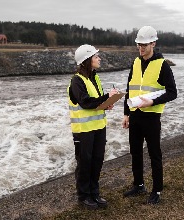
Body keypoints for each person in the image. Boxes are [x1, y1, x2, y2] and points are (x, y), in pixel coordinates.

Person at [121, 26, 177, 204]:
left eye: (144, 44)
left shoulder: (162, 65)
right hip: (135, 115)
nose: (141, 48)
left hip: (152, 118)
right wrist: (126, 113)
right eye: (139, 45)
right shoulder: (135, 63)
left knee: (154, 154)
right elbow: (130, 89)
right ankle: (139, 185)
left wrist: (152, 102)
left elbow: (172, 92)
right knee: (135, 152)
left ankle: (157, 190)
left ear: (153, 43)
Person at [68, 44, 118, 209]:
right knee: (84, 163)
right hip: (83, 131)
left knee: (97, 160)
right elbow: (85, 102)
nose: (99, 59)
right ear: (87, 60)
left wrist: (107, 103)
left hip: (99, 127)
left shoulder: (95, 78)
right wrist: (105, 98)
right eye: (96, 56)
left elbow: (96, 102)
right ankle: (84, 196)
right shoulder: (77, 81)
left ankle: (94, 193)